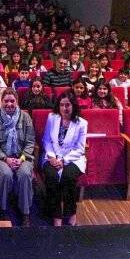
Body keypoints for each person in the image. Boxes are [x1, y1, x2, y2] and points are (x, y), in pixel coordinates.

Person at [0, 88, 35, 226]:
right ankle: (2, 209)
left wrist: (21, 159)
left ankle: (25, 211)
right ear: (1, 102)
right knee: (6, 174)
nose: (9, 104)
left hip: (22, 157)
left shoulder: (26, 117)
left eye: (12, 101)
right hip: (2, 158)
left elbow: (30, 141)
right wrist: (6, 159)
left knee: (25, 173)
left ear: (17, 101)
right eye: (6, 101)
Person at [41, 91, 87, 226]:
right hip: (52, 155)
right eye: (61, 105)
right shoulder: (52, 117)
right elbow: (47, 140)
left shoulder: (82, 123)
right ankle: (56, 215)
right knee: (52, 176)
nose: (64, 108)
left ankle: (71, 213)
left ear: (73, 106)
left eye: (67, 105)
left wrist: (63, 161)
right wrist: (51, 157)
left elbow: (80, 148)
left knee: (68, 177)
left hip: (72, 158)